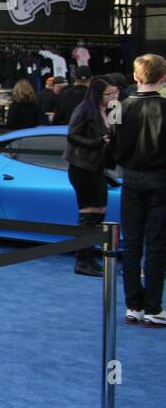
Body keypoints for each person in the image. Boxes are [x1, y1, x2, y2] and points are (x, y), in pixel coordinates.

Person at [111, 54, 166, 326]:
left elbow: (112, 147)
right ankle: (153, 307)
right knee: (156, 244)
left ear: (135, 76)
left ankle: (134, 306)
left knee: (131, 243)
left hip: (131, 178)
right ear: (163, 78)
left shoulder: (118, 107)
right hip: (161, 179)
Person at [65, 79, 117, 278]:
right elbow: (72, 135)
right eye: (109, 93)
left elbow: (117, 133)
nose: (114, 97)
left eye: (116, 92)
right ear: (98, 94)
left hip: (99, 166)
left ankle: (88, 257)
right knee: (88, 212)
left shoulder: (114, 109)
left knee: (100, 211)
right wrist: (97, 142)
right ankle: (82, 260)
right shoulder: (85, 108)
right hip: (82, 166)